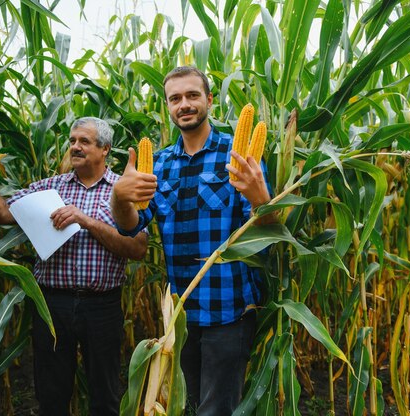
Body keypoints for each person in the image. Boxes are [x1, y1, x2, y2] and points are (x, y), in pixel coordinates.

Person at [111, 66, 274, 415]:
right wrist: (120, 198)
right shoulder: (161, 163)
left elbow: (267, 231)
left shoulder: (239, 153)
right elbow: (132, 225)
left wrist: (262, 198)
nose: (184, 104)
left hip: (227, 311)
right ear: (168, 106)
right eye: (175, 98)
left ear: (209, 100)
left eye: (192, 95)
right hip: (180, 314)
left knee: (217, 409)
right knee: (187, 404)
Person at [0, 116, 148, 416]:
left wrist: (84, 220)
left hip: (102, 307)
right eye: (72, 141)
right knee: (51, 395)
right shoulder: (50, 189)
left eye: (84, 141)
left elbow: (137, 248)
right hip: (52, 305)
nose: (75, 147)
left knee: (105, 396)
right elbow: (0, 213)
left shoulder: (122, 192)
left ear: (105, 149)